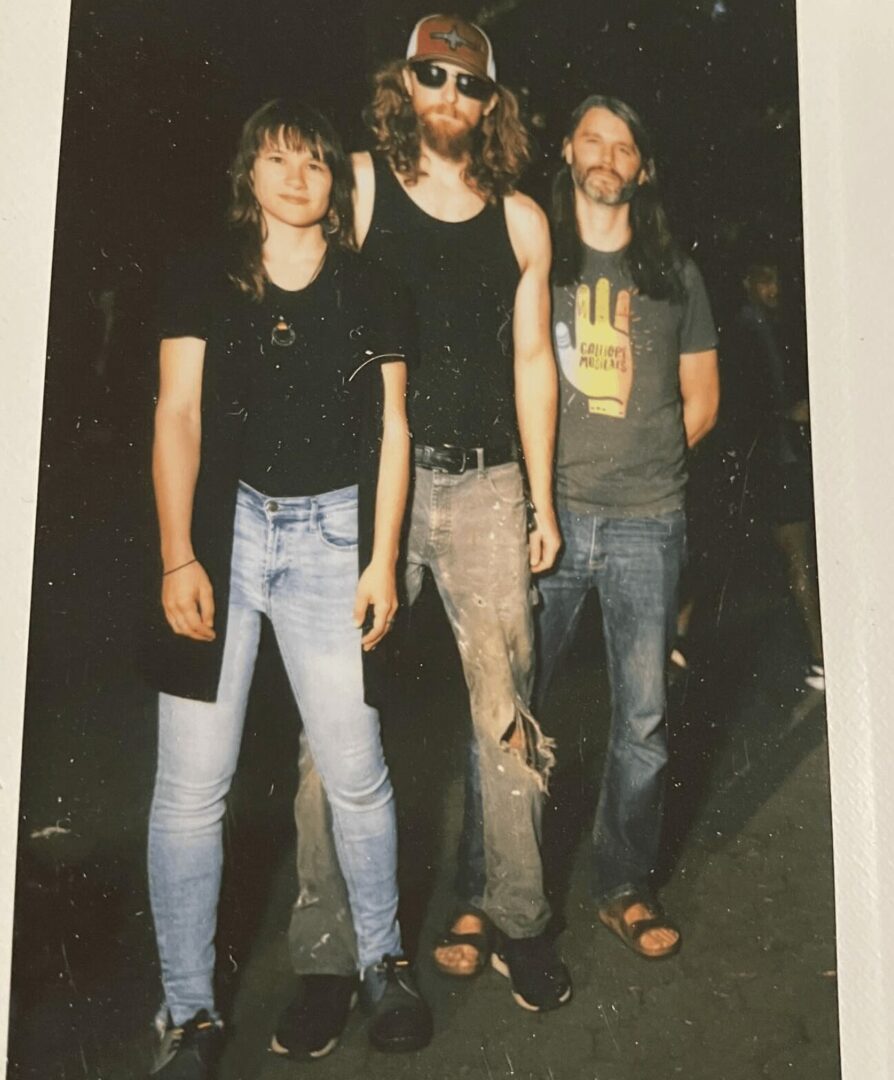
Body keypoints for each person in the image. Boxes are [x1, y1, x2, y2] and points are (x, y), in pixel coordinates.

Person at [284, 13, 572, 1020]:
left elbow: (533, 364)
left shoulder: (524, 221)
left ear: (492, 104)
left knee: (508, 716)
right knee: (332, 721)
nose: (450, 95)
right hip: (373, 492)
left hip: (489, 488)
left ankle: (521, 922)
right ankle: (328, 961)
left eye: (469, 83)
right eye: (433, 76)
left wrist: (541, 499)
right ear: (404, 84)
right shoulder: (359, 188)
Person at [142, 99, 432, 1078]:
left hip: (332, 538)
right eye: (278, 159)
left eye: (315, 162)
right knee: (191, 789)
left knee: (357, 770)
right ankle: (188, 1016)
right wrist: (178, 555)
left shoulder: (372, 286)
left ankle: (385, 963)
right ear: (249, 173)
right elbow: (177, 414)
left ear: (335, 182)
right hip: (221, 537)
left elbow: (392, 430)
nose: (298, 177)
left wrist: (381, 559)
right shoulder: (202, 275)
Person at [540, 94, 719, 959]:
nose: (607, 156)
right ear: (567, 151)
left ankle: (623, 885)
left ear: (642, 168)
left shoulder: (674, 273)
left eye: (624, 146)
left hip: (648, 522)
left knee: (642, 718)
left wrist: (638, 463)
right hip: (549, 517)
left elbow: (703, 400)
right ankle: (493, 890)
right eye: (593, 139)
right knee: (509, 707)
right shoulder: (536, 257)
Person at [725, 258, 823, 690]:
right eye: (765, 279)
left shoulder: (773, 327)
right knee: (799, 558)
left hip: (785, 459)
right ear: (747, 281)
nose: (774, 287)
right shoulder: (742, 334)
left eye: (777, 278)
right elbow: (742, 409)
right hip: (771, 463)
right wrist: (788, 415)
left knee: (798, 558)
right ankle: (821, 658)